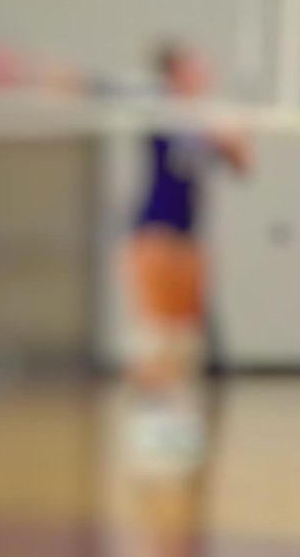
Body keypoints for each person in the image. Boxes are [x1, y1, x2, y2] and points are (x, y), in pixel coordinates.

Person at [125, 42, 250, 468]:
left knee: (186, 337)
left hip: (191, 236)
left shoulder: (209, 118)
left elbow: (242, 165)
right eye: (195, 67)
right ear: (176, 75)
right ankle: (149, 424)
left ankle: (175, 422)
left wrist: (234, 137)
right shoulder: (161, 110)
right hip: (155, 231)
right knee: (158, 333)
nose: (204, 72)